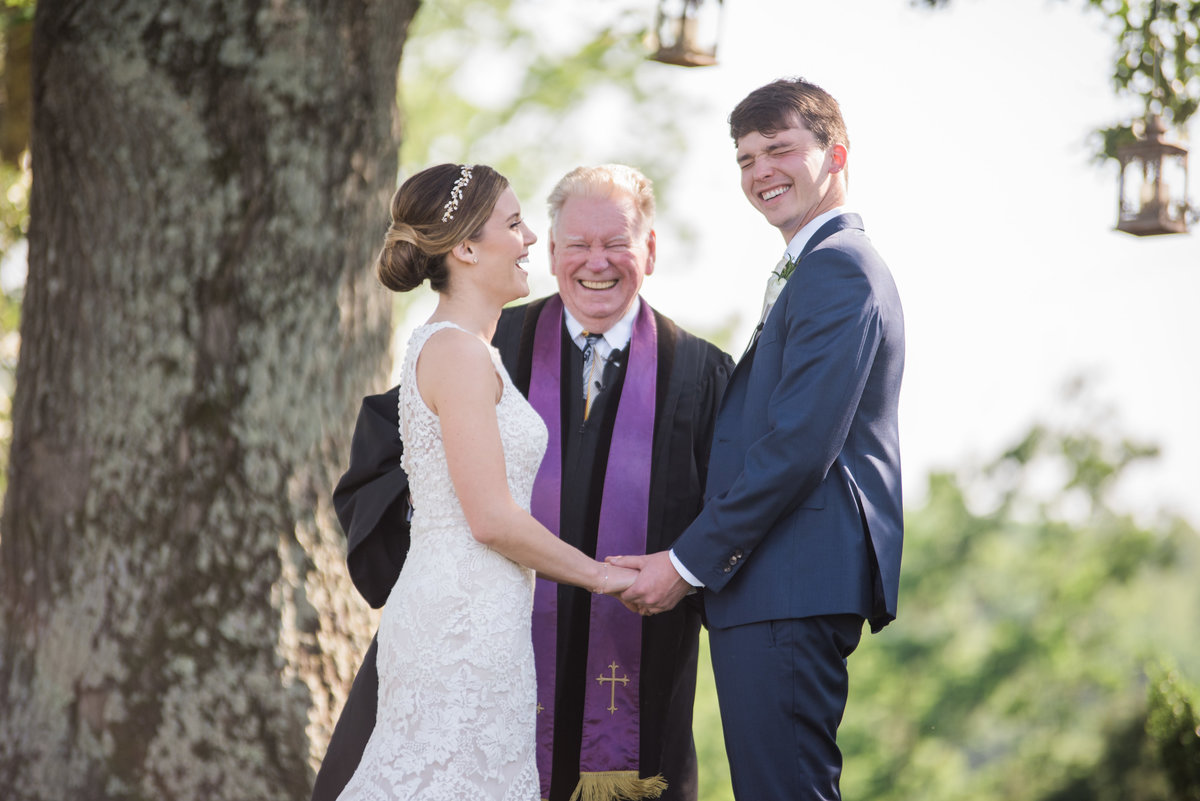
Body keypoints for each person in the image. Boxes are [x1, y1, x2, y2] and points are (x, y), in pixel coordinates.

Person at [312, 164, 732, 801]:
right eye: (573, 243)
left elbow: (730, 506)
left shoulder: (700, 374)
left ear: (649, 248)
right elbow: (405, 476)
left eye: (616, 242)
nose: (596, 261)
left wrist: (679, 569)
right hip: (474, 631)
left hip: (631, 666)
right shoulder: (486, 342)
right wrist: (446, 568)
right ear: (556, 250)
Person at [612, 78, 905, 801]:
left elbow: (798, 445)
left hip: (790, 580)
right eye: (745, 158)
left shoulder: (840, 267)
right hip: (775, 583)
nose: (760, 172)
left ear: (836, 154)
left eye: (779, 150)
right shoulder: (814, 266)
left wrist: (687, 562)